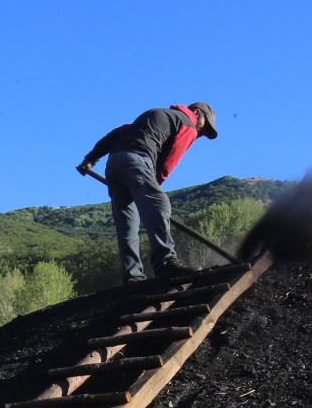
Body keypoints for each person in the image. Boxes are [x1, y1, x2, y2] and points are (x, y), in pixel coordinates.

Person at [77, 102, 218, 282]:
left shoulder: (156, 115)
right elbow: (170, 160)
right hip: (137, 160)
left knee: (128, 223)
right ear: (197, 113)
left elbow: (116, 134)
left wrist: (90, 159)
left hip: (114, 164)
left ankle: (133, 275)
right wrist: (154, 184)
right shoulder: (187, 123)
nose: (202, 132)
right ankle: (165, 263)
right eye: (204, 127)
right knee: (160, 204)